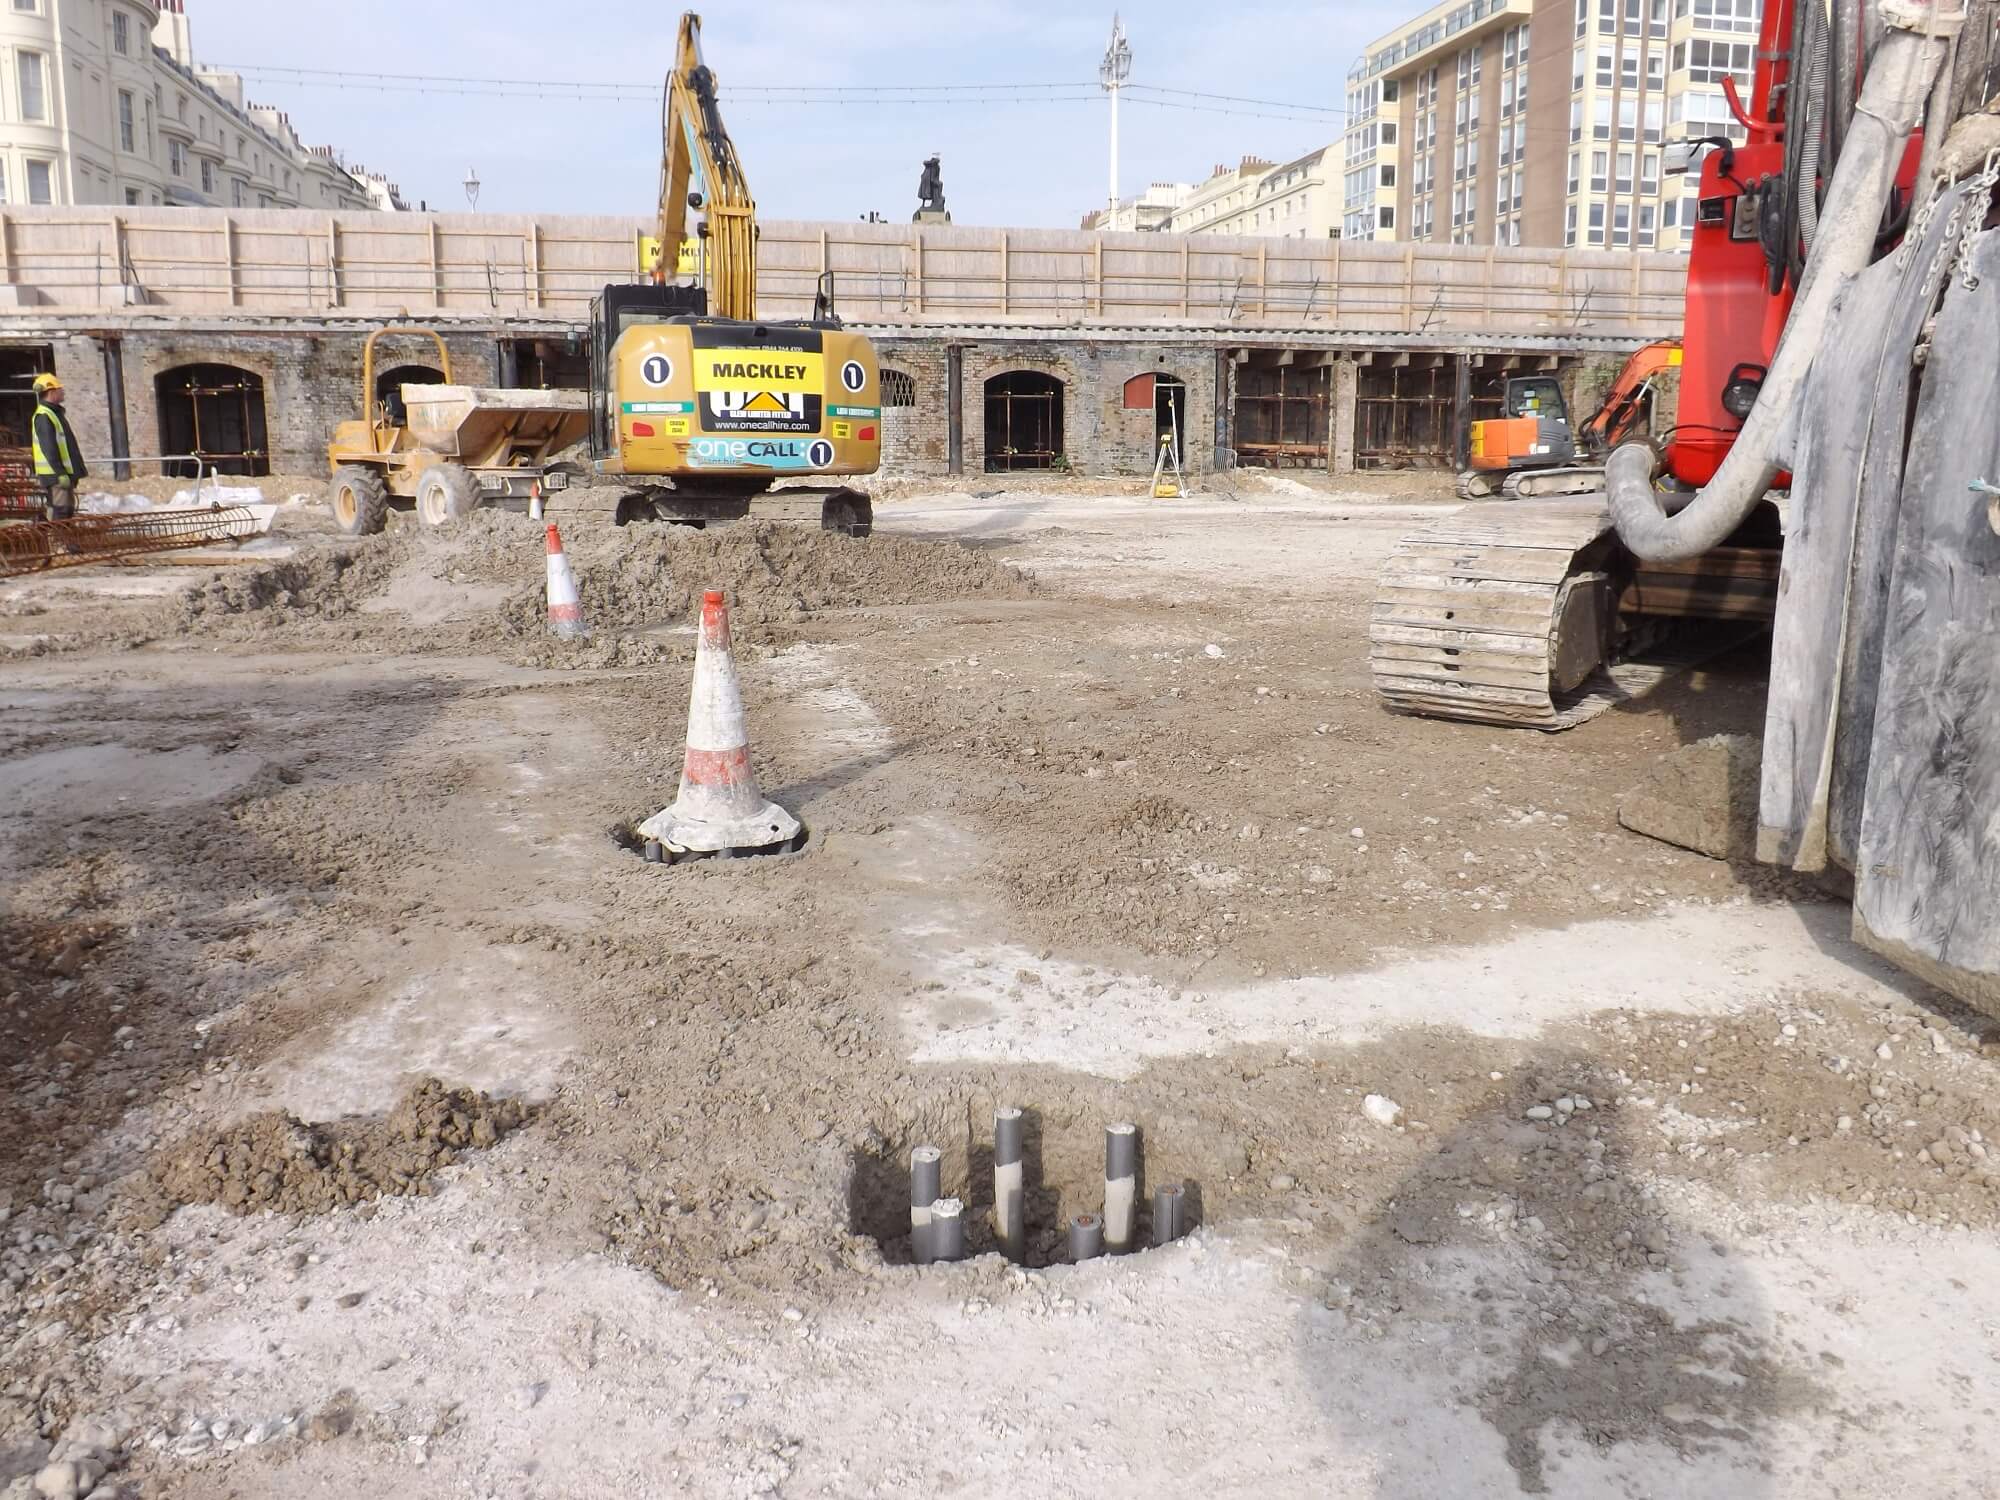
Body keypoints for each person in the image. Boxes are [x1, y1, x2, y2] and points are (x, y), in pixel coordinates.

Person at [30, 371, 86, 521]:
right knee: (61, 510)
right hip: (55, 474)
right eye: (60, 389)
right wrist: (60, 472)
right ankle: (59, 542)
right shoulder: (44, 416)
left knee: (64, 510)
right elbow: (49, 447)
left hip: (61, 473)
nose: (63, 392)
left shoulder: (54, 413)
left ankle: (60, 540)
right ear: (51, 392)